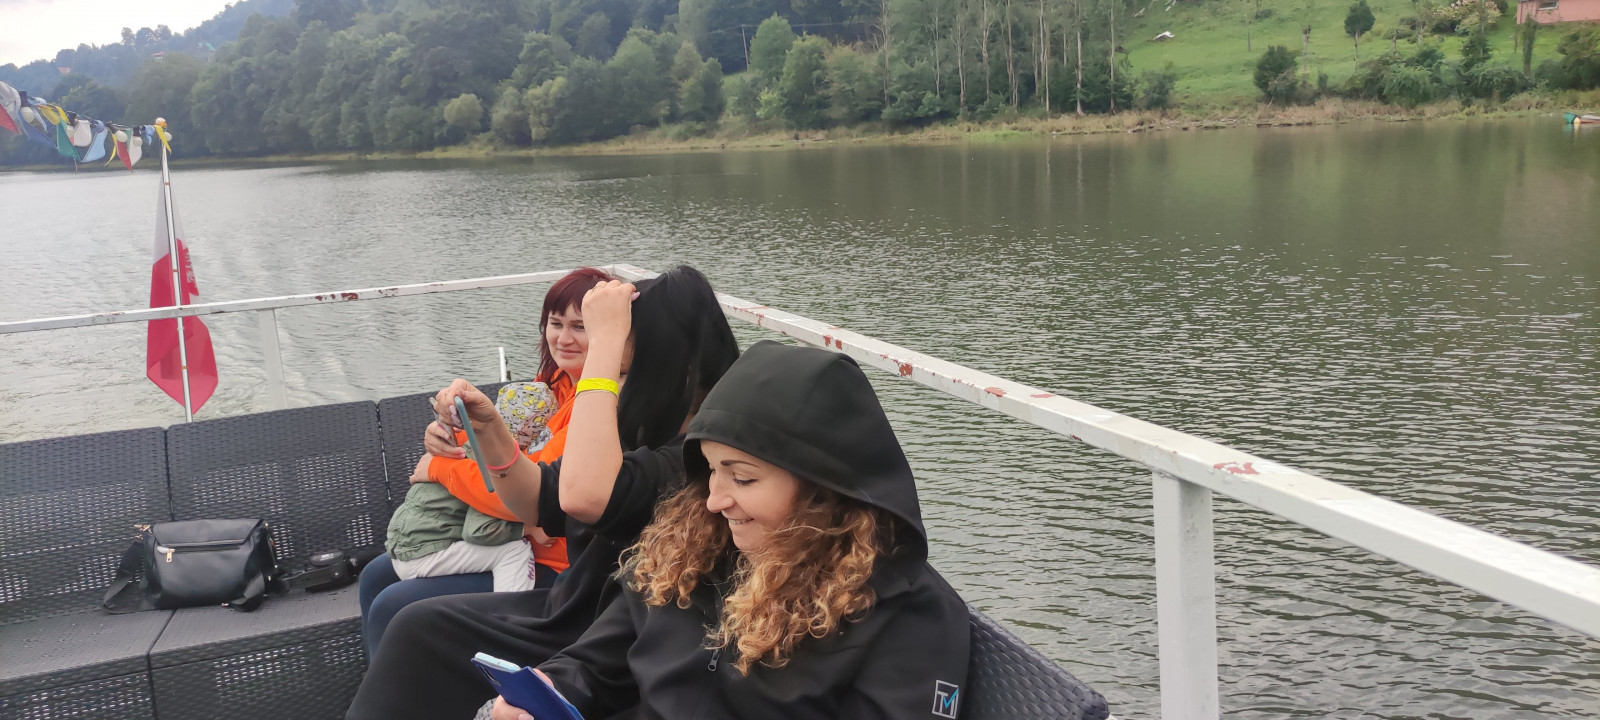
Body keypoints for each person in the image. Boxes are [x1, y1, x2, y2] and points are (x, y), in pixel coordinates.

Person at [489, 338, 972, 720]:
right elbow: (598, 663)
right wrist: (553, 687)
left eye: (742, 478)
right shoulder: (692, 550)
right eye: (710, 471)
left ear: (824, 489)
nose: (715, 500)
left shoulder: (905, 613)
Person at [346, 266, 740, 720]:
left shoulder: (695, 458)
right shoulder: (644, 432)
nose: (615, 388)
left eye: (622, 372)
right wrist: (490, 430)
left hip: (614, 630)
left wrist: (606, 346)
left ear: (669, 369)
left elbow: (584, 498)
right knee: (414, 624)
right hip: (574, 605)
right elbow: (539, 499)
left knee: (413, 625)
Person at [358, 266, 614, 658]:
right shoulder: (552, 386)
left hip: (553, 563)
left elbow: (524, 494)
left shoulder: (594, 407)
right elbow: (508, 449)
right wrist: (450, 436)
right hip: (510, 538)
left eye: (579, 327)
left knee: (393, 605)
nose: (563, 338)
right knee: (375, 576)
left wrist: (439, 468)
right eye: (555, 323)